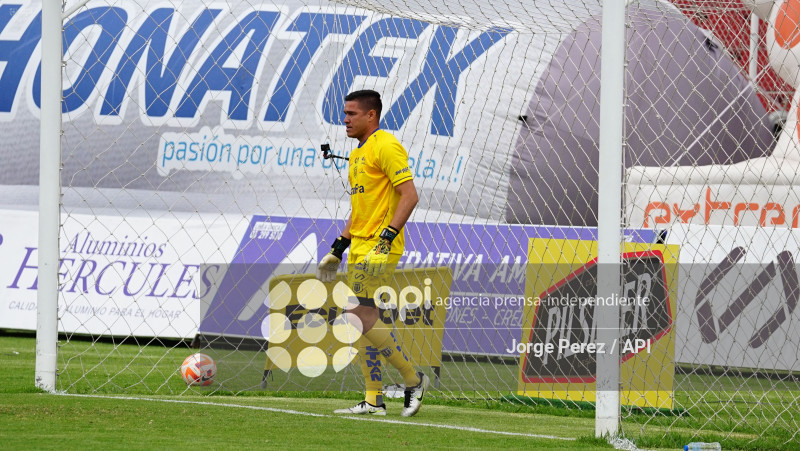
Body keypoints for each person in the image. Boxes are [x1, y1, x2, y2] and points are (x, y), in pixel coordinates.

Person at [317, 89, 428, 417]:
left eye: (352, 114)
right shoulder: (356, 155)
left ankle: (412, 378)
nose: (345, 119)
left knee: (357, 316)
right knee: (365, 320)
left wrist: (387, 236)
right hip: (361, 245)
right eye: (345, 113)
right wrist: (339, 248)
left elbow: (410, 195)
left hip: (381, 247)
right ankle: (373, 400)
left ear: (371, 116)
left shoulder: (387, 145)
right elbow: (359, 209)